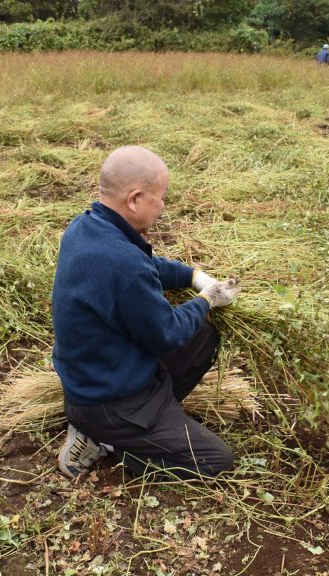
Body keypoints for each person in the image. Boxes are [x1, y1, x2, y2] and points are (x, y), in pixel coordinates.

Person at [52, 146, 242, 480]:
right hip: (109, 402)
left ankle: (145, 423)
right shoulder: (122, 263)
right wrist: (207, 299)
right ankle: (113, 442)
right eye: (162, 196)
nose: (164, 205)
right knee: (217, 460)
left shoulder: (86, 228)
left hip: (101, 374)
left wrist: (193, 276)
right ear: (136, 199)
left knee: (203, 335)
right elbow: (166, 333)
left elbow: (146, 265)